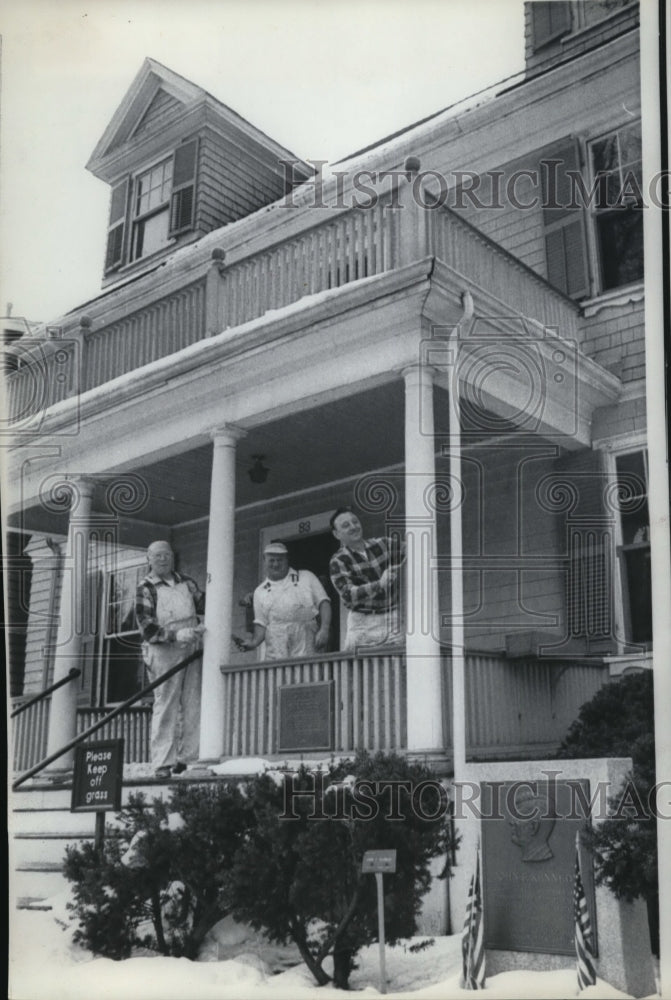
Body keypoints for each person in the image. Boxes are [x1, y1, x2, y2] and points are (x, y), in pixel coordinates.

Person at [135, 540, 205, 778]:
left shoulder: (187, 582)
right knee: (166, 704)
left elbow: (204, 604)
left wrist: (203, 623)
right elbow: (147, 628)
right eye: (157, 555)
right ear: (149, 559)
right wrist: (174, 635)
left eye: (166, 555)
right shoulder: (146, 587)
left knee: (193, 702)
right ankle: (163, 763)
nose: (163, 559)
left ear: (173, 557)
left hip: (192, 646)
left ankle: (189, 758)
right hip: (163, 650)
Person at [236, 541, 331, 660]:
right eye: (271, 560)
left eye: (279, 560)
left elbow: (324, 603)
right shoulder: (260, 591)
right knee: (278, 677)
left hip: (306, 640)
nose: (275, 564)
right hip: (276, 646)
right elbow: (261, 624)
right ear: (265, 561)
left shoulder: (306, 577)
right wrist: (253, 643)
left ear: (287, 560)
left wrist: (324, 629)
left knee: (308, 675)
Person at [329, 507, 404, 650]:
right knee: (360, 669)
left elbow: (415, 548)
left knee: (397, 667)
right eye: (346, 525)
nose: (353, 527)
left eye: (355, 522)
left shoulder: (383, 544)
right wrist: (379, 584)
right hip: (362, 623)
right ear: (336, 534)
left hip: (392, 618)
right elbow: (347, 594)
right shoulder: (338, 560)